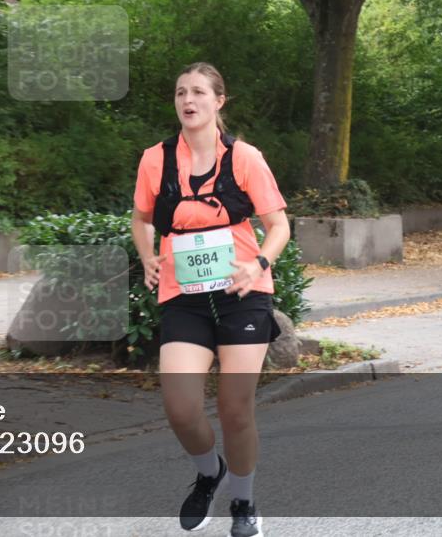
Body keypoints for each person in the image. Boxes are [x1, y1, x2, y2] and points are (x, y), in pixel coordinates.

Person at [131, 62, 290, 536]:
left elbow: (279, 226)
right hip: (184, 296)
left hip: (242, 293)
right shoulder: (154, 159)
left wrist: (258, 264)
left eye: (199, 91)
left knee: (235, 408)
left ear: (219, 101)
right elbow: (141, 219)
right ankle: (209, 473)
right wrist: (146, 257)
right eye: (181, 92)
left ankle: (243, 504)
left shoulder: (245, 157)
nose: (188, 100)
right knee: (180, 407)